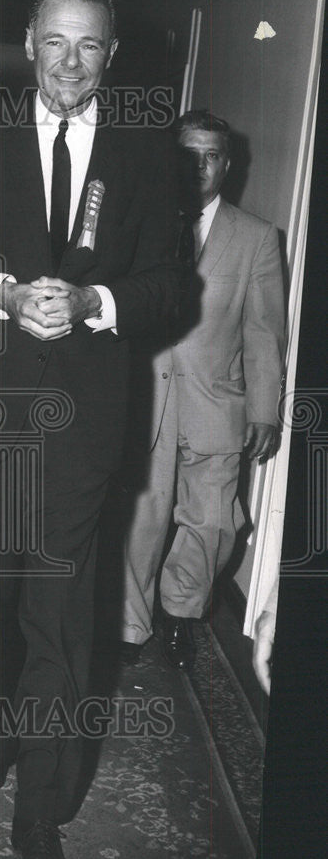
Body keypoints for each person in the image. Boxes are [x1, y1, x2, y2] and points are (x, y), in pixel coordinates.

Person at [0, 0, 179, 859]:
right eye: (55, 43)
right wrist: (2, 296)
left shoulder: (149, 154)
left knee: (60, 623)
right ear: (28, 43)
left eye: (89, 47)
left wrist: (98, 301)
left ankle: (41, 813)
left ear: (112, 55)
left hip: (83, 429)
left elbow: (172, 286)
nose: (71, 63)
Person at [119, 111, 286, 670]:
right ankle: (129, 624)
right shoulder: (137, 221)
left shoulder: (258, 238)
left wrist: (265, 408)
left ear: (227, 164)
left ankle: (181, 614)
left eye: (211, 155)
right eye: (188, 154)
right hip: (143, 400)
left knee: (212, 524)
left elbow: (264, 333)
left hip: (217, 402)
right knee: (142, 519)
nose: (199, 166)